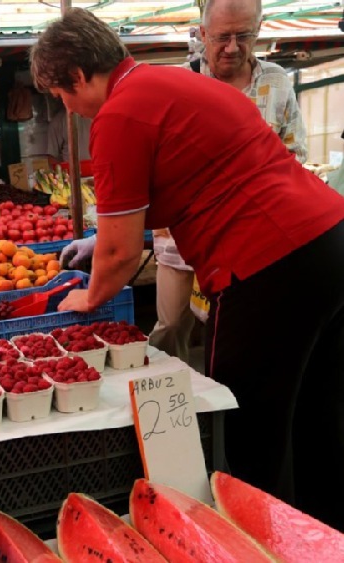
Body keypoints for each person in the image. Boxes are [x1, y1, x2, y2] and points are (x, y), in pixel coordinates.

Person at [32, 7, 344, 530]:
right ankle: (328, 533)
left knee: (246, 422)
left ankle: (262, 539)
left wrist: (89, 294)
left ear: (81, 75)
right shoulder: (175, 85)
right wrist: (98, 241)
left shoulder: (120, 114)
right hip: (331, 243)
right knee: (320, 414)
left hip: (268, 264)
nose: (71, 108)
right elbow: (181, 189)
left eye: (64, 96)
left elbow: (120, 256)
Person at [150, 0, 308, 363]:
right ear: (202, 33)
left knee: (236, 330)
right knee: (171, 325)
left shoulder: (277, 82)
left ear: (260, 29)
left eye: (244, 35)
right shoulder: (178, 84)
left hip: (252, 239)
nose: (233, 47)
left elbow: (294, 154)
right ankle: (166, 405)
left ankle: (226, 406)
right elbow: (155, 161)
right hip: (183, 240)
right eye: (222, 37)